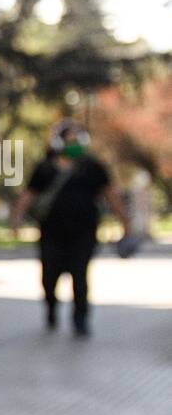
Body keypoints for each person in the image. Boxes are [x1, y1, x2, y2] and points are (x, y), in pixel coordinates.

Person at [11, 119, 128, 336]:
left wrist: (125, 223)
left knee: (80, 276)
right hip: (51, 233)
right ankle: (51, 307)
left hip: (83, 232)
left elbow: (111, 195)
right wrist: (16, 220)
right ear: (59, 142)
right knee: (49, 276)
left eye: (77, 140)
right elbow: (27, 196)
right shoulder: (45, 168)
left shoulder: (92, 167)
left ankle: (80, 319)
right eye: (70, 140)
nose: (74, 144)